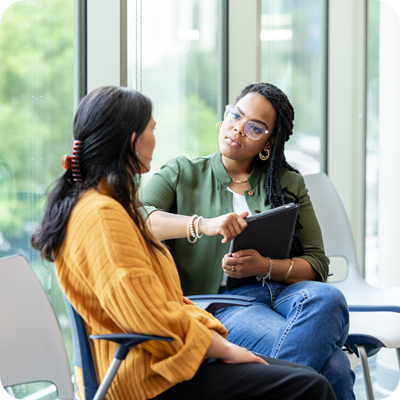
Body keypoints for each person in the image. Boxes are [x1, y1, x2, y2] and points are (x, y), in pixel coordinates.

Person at [31, 86, 336, 400]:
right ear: (133, 140)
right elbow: (147, 315)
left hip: (167, 356)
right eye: (152, 129)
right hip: (153, 373)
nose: (155, 138)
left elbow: (157, 304)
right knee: (316, 380)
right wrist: (224, 348)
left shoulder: (104, 207)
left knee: (322, 339)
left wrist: (219, 340)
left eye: (255, 127)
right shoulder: (102, 214)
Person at [140, 82, 355, 400]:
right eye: (235, 116)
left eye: (255, 128)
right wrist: (204, 225)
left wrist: (264, 265)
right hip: (223, 304)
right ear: (222, 119)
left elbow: (316, 264)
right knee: (335, 364)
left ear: (268, 143)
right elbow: (139, 219)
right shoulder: (181, 173)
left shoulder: (287, 181)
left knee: (330, 299)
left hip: (285, 294)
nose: (239, 129)